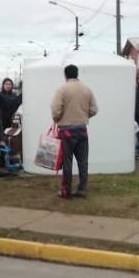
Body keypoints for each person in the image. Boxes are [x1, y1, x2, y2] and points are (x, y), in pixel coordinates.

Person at [50, 64, 98, 198]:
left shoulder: (62, 90)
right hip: (82, 130)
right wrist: (83, 116)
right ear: (77, 74)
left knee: (67, 161)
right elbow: (94, 109)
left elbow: (55, 110)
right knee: (83, 161)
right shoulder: (86, 89)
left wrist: (58, 118)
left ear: (65, 75)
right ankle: (82, 189)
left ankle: (66, 190)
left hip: (66, 131)